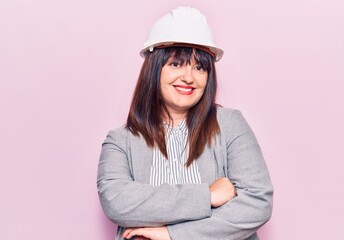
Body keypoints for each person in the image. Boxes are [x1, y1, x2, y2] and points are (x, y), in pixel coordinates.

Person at [97, 6, 273, 240]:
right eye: (176, 64)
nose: (189, 77)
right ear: (153, 69)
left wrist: (171, 234)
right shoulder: (120, 140)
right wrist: (207, 196)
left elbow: (258, 202)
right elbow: (117, 202)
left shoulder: (230, 125)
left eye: (199, 67)